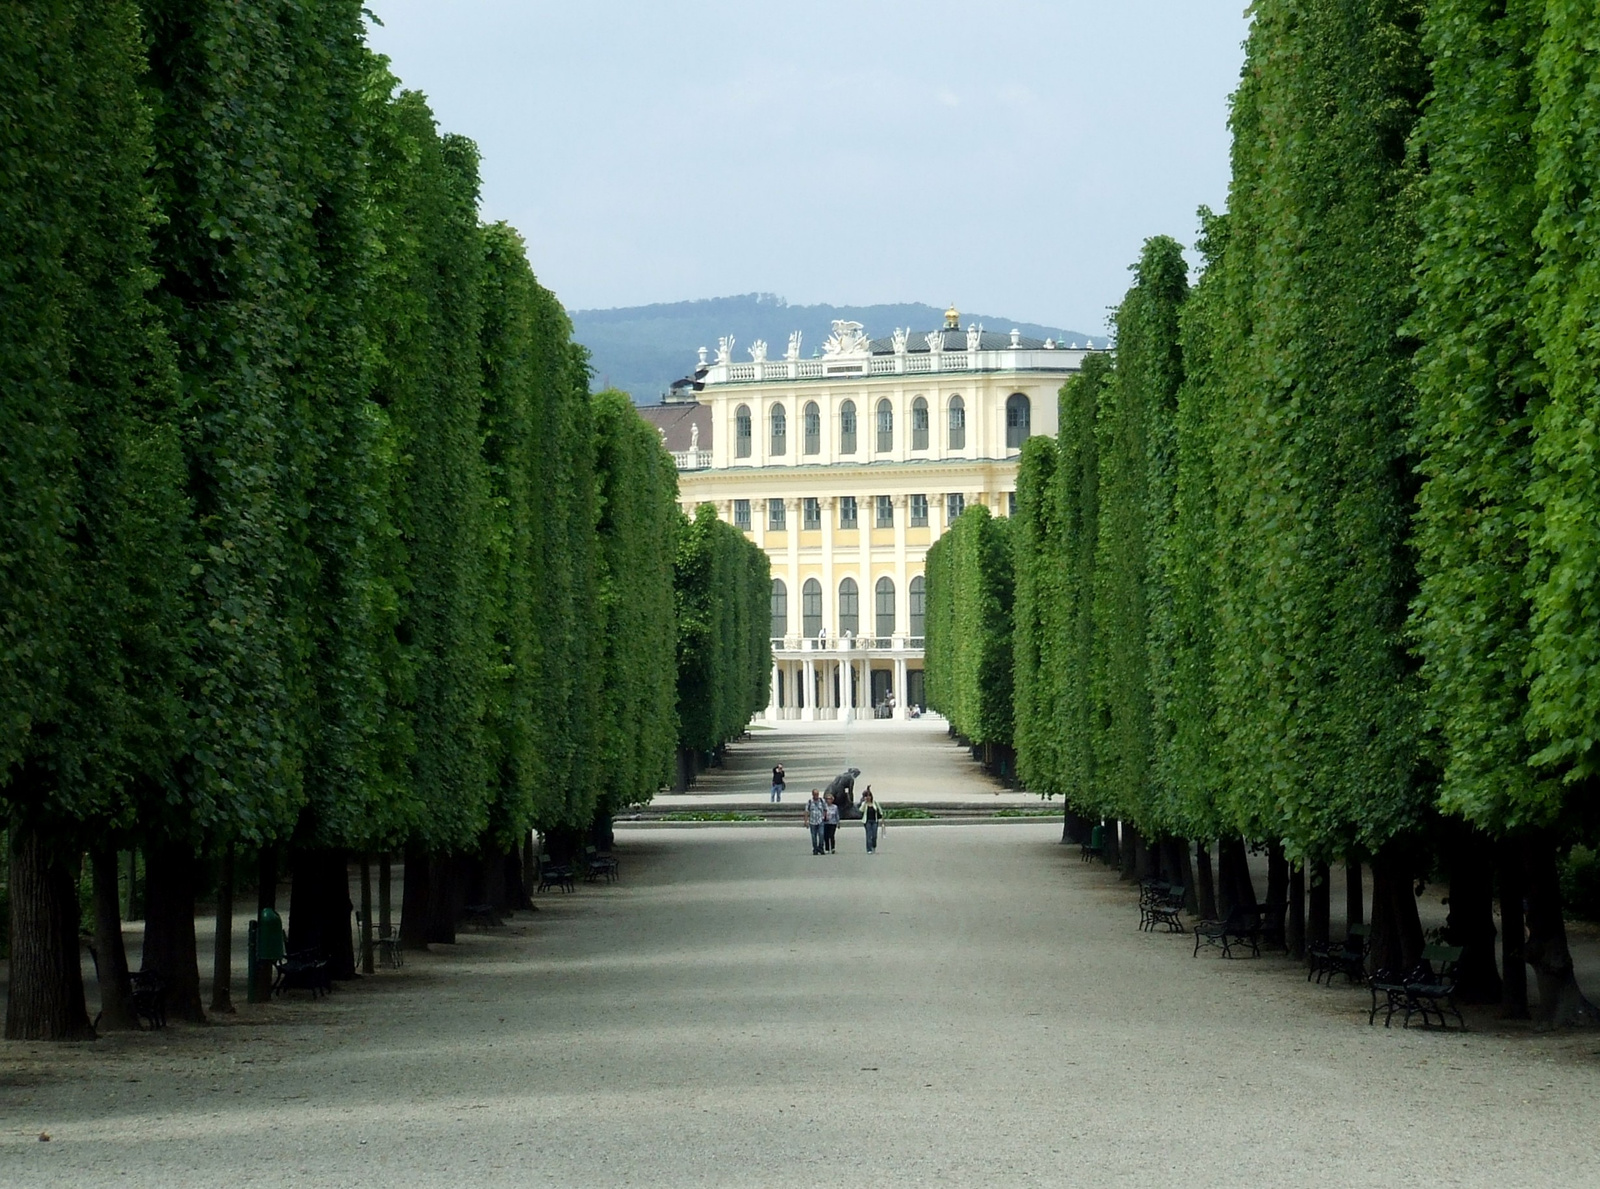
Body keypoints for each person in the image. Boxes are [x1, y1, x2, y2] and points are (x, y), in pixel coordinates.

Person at [805, 788, 827, 855]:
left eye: (817, 794)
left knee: (821, 835)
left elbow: (825, 809)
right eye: (815, 794)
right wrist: (806, 821)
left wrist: (824, 816)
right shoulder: (809, 802)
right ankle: (815, 849)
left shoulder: (822, 801)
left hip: (820, 821)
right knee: (813, 837)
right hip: (812, 821)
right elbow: (806, 812)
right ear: (812, 794)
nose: (816, 795)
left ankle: (821, 847)